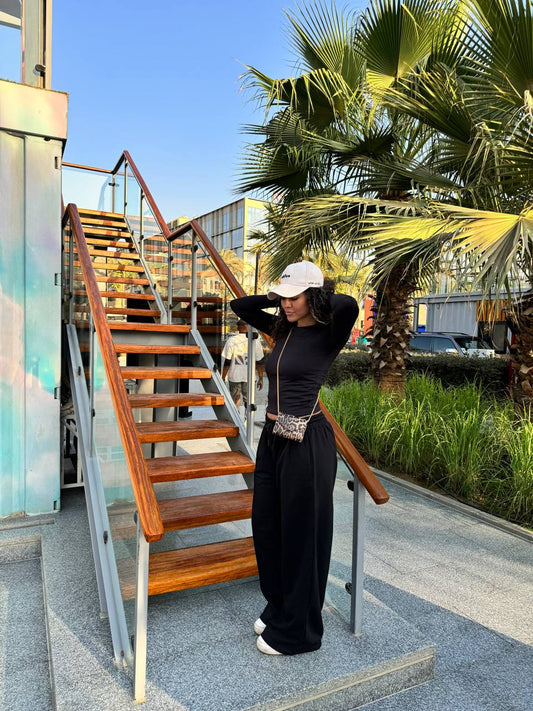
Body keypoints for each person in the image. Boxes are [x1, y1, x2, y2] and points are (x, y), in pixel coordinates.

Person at [230, 260, 358, 656]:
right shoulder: (282, 329)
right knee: (268, 525)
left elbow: (349, 304)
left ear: (313, 297)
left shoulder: (328, 333)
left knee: (303, 534)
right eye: (282, 297)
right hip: (273, 438)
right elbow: (240, 306)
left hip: (308, 441)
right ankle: (280, 605)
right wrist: (279, 296)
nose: (286, 303)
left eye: (294, 297)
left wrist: (316, 295)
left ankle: (300, 631)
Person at [221, 320, 264, 407]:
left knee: (235, 401)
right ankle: (247, 415)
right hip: (249, 377)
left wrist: (223, 377)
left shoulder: (231, 341)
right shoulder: (255, 341)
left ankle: (235, 415)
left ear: (238, 327)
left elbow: (227, 362)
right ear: (248, 327)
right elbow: (259, 363)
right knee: (249, 401)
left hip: (234, 376)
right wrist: (261, 378)